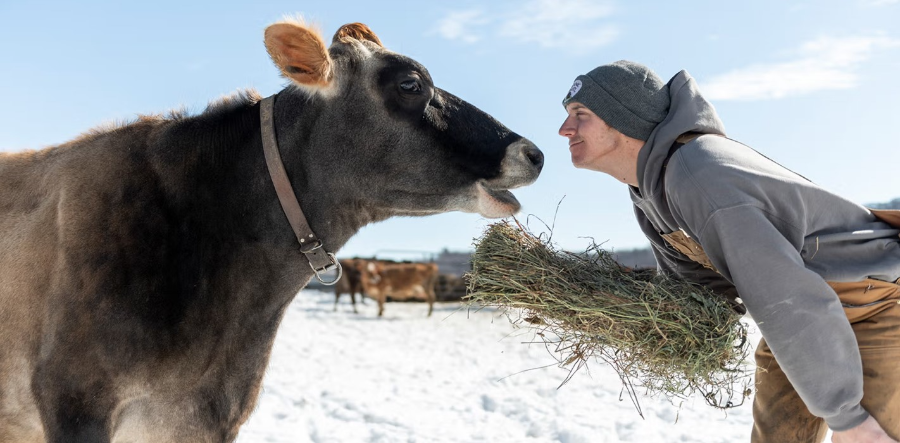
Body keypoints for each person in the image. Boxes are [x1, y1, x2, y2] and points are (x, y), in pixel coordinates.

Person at [557, 60, 900, 443]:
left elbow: (785, 293)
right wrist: (609, 306)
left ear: (624, 117)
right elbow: (699, 289)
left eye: (580, 114)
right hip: (802, 321)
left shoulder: (700, 174)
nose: (564, 129)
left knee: (868, 436)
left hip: (874, 301)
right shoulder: (649, 189)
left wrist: (846, 417)